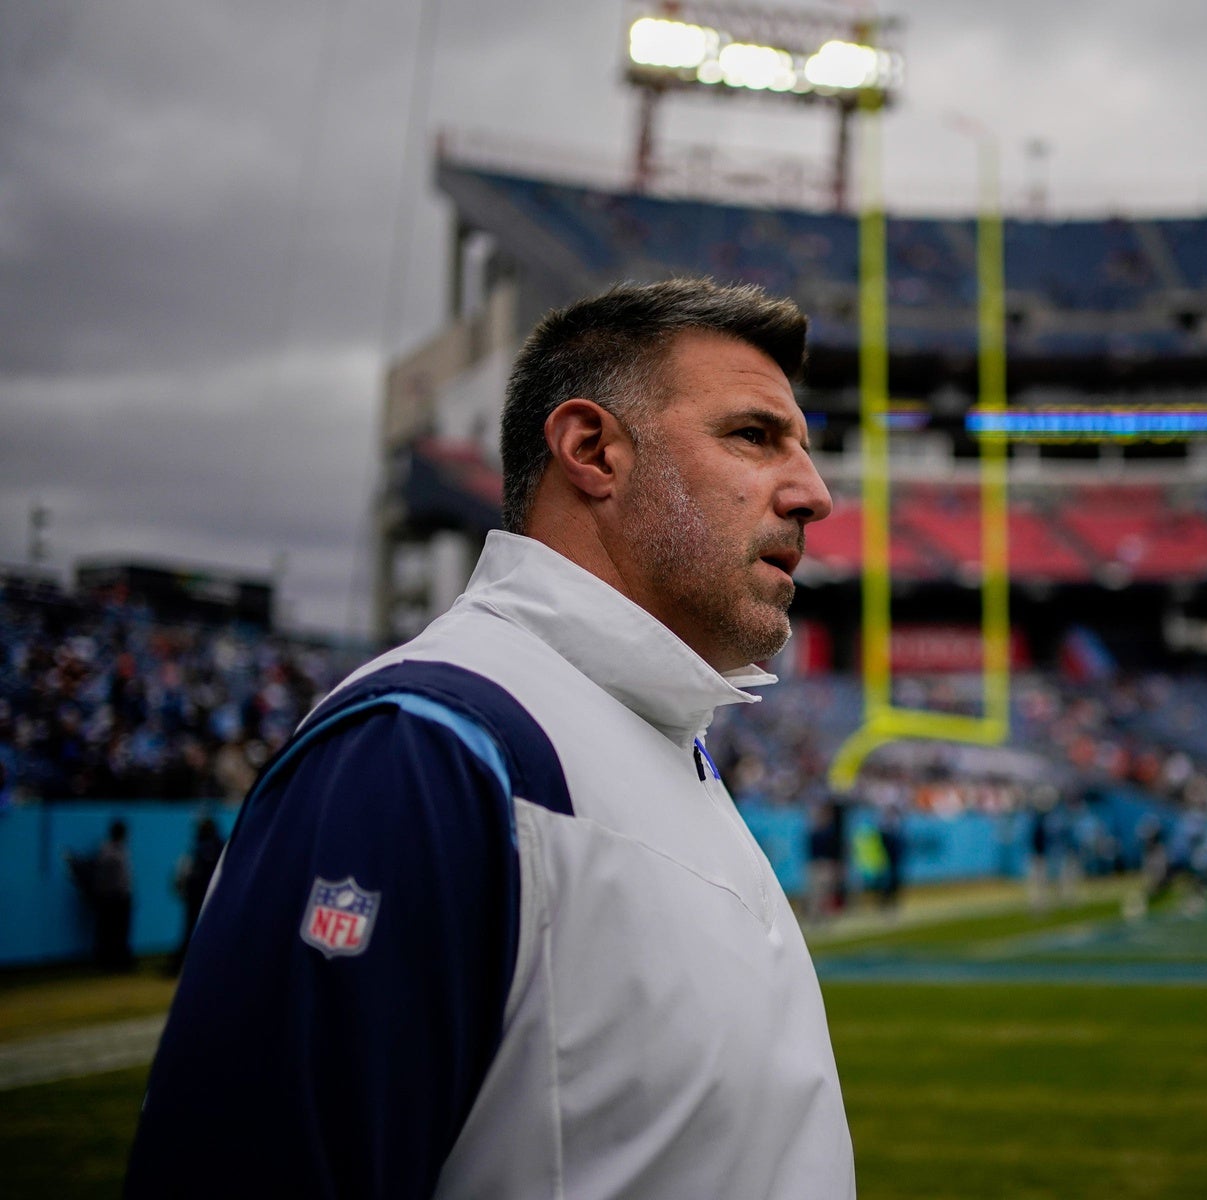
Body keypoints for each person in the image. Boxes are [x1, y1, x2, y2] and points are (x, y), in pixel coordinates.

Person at [127, 280, 853, 1198]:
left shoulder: (654, 733)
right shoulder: (424, 749)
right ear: (593, 449)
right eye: (755, 436)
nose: (815, 492)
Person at [69, 819, 134, 970]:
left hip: (118, 896)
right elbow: (108, 876)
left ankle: (117, 959)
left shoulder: (117, 849)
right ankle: (109, 960)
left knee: (117, 931)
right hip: (112, 897)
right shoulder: (110, 851)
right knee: (110, 931)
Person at [169, 816, 224, 975]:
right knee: (195, 931)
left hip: (203, 896)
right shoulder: (210, 846)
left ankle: (183, 965)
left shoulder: (209, 847)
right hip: (204, 897)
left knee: (195, 931)